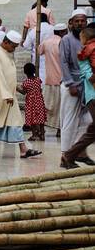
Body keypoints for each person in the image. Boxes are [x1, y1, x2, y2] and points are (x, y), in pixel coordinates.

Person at [0, 30, 41, 160]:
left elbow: (9, 74)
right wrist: (6, 94)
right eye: (13, 46)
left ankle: (23, 150)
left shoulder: (7, 52)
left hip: (9, 95)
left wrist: (14, 89)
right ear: (6, 42)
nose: (14, 49)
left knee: (16, 121)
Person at [59, 9, 92, 166]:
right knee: (70, 122)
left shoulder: (87, 39)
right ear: (71, 22)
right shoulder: (66, 39)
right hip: (70, 85)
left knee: (88, 121)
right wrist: (70, 83)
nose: (80, 23)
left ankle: (80, 152)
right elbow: (64, 63)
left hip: (86, 86)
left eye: (83, 21)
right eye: (77, 21)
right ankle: (65, 157)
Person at [36, 20, 66, 135]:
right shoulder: (63, 43)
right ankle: (59, 130)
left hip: (48, 79)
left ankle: (42, 129)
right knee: (61, 106)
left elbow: (39, 51)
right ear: (63, 32)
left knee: (46, 105)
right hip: (61, 80)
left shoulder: (46, 42)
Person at [19, 61, 46, 142]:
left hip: (31, 103)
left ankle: (34, 135)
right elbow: (40, 89)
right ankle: (42, 134)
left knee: (32, 118)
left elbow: (24, 92)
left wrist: (16, 88)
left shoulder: (26, 82)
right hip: (39, 102)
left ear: (25, 72)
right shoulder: (38, 80)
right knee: (41, 118)